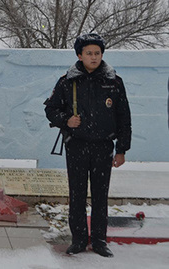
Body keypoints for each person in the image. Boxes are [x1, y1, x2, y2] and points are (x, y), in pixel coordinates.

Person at [44, 33, 132, 258]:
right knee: (77, 194)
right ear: (79, 55)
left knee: (101, 195)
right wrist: (66, 120)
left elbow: (124, 117)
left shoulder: (113, 81)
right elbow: (51, 109)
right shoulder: (68, 81)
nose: (94, 57)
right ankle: (79, 240)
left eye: (97, 53)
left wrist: (121, 149)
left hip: (103, 147)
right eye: (89, 53)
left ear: (102, 55)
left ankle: (100, 241)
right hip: (77, 146)